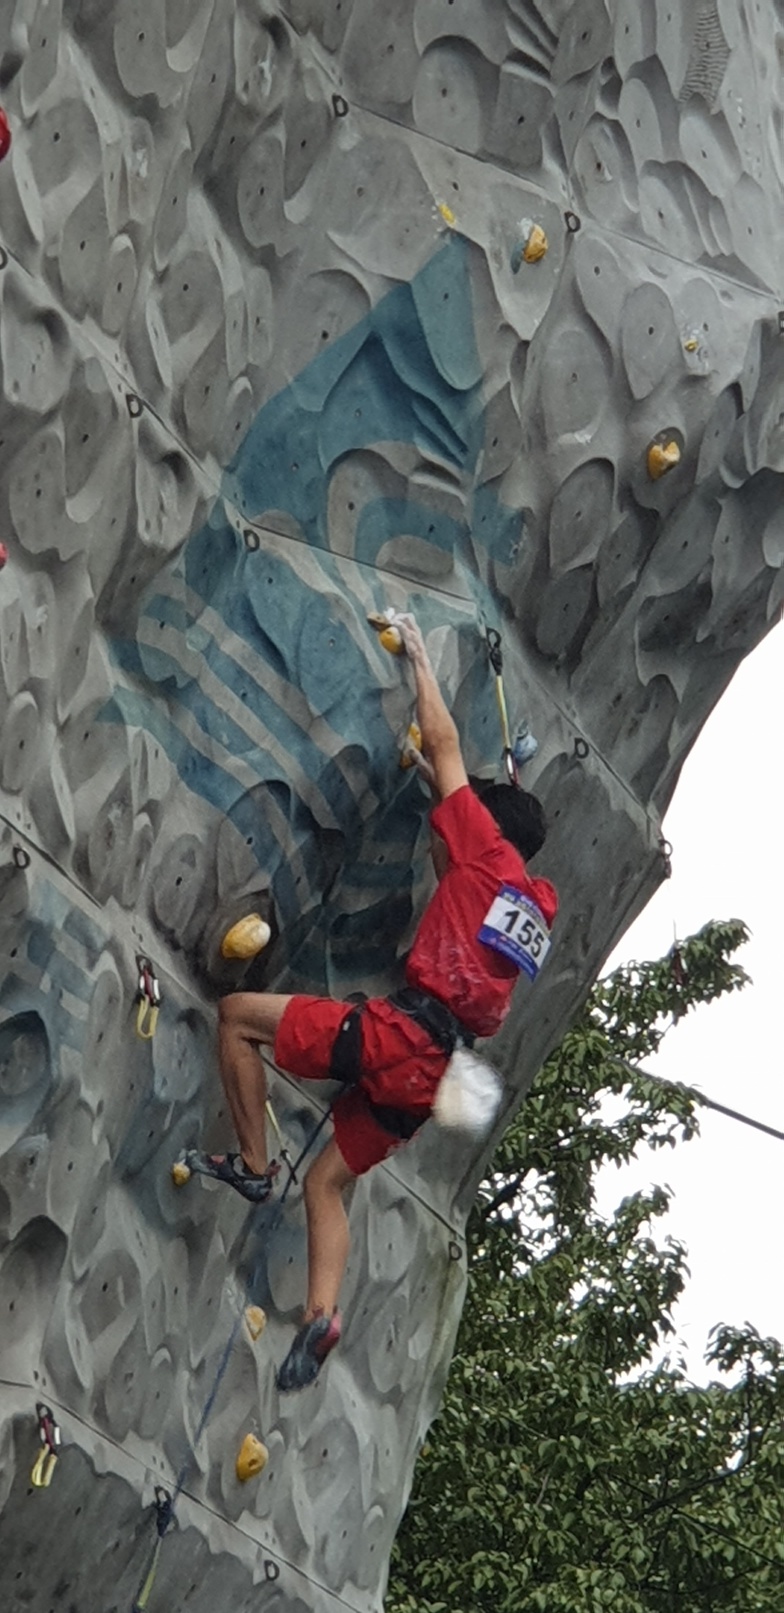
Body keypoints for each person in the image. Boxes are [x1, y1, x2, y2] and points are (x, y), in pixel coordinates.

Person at [182, 614, 558, 1390]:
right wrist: (430, 783)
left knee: (237, 1018)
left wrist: (419, 654)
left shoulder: (486, 853)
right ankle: (323, 1313)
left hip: (400, 1037)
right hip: (432, 1080)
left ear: (490, 828)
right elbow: (453, 858)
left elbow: (445, 749)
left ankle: (252, 1163)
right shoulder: (526, 907)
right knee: (327, 1181)